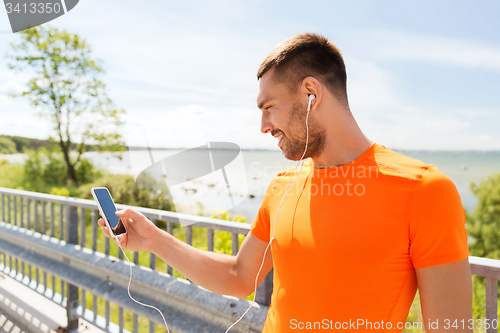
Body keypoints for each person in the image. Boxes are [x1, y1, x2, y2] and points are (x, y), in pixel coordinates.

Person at [99, 33, 473, 332]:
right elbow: (238, 276)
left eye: (268, 108)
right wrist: (154, 240)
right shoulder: (282, 186)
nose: (263, 127)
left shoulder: (423, 190)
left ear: (311, 93)